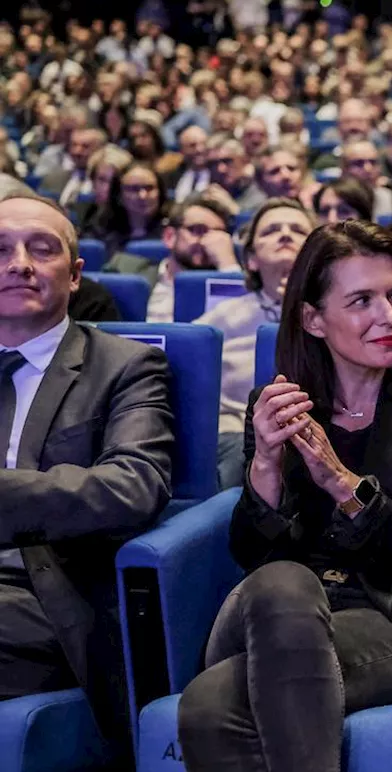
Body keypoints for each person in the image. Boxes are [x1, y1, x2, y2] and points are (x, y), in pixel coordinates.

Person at [177, 220, 392, 770]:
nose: (389, 316)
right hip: (275, 611)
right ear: (313, 319)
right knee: (282, 581)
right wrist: (268, 467)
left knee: (210, 704)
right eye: (362, 301)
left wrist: (341, 483)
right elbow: (253, 554)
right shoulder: (277, 406)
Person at [0, 192, 174, 766]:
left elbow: (134, 484)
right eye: (1, 250)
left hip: (44, 592)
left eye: (41, 248)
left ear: (74, 276)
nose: (19, 262)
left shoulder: (125, 365)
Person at [195, 199, 317, 491]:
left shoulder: (337, 313)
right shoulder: (222, 318)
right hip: (236, 435)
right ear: (250, 259)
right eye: (271, 230)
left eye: (298, 230)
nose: (285, 235)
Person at [146, 193, 241, 322]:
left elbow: (241, 328)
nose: (208, 240)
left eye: (218, 233)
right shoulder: (139, 277)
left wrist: (228, 264)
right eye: (198, 230)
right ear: (170, 237)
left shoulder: (223, 288)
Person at [88, 160, 170, 259]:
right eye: (133, 189)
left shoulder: (172, 234)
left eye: (149, 188)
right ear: (119, 195)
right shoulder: (99, 233)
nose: (142, 196)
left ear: (160, 193)